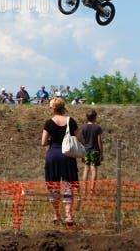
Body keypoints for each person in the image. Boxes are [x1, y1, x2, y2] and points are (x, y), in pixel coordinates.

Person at [41, 97, 82, 226]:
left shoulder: (49, 123)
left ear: (53, 108)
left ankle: (56, 215)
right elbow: (80, 138)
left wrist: (52, 141)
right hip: (67, 156)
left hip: (53, 155)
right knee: (67, 185)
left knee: (54, 185)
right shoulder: (71, 121)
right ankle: (69, 216)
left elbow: (43, 142)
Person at [80, 110, 104, 197]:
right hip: (95, 151)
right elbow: (99, 141)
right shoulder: (97, 128)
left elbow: (82, 140)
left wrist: (82, 151)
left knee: (86, 169)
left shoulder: (84, 127)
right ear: (95, 117)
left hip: (86, 151)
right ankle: (92, 191)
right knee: (94, 170)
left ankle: (85, 191)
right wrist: (101, 153)